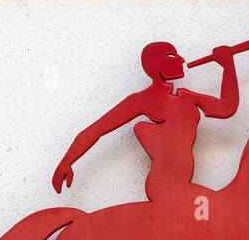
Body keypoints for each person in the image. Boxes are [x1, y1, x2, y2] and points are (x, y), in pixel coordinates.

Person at [51, 40, 239, 202]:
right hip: (163, 186)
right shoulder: (142, 100)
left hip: (182, 183)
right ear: (155, 65)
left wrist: (228, 65)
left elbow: (225, 107)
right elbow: (96, 129)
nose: (181, 59)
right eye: (171, 56)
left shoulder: (187, 97)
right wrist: (67, 162)